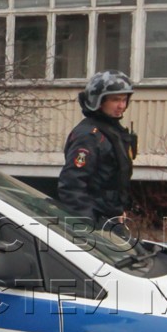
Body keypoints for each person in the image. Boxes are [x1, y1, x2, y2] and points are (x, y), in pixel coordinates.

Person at [57, 70, 137, 228]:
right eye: (115, 100)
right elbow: (72, 187)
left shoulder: (111, 131)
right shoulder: (88, 136)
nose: (121, 105)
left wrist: (118, 211)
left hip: (111, 218)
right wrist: (89, 226)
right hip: (96, 222)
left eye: (124, 100)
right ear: (98, 101)